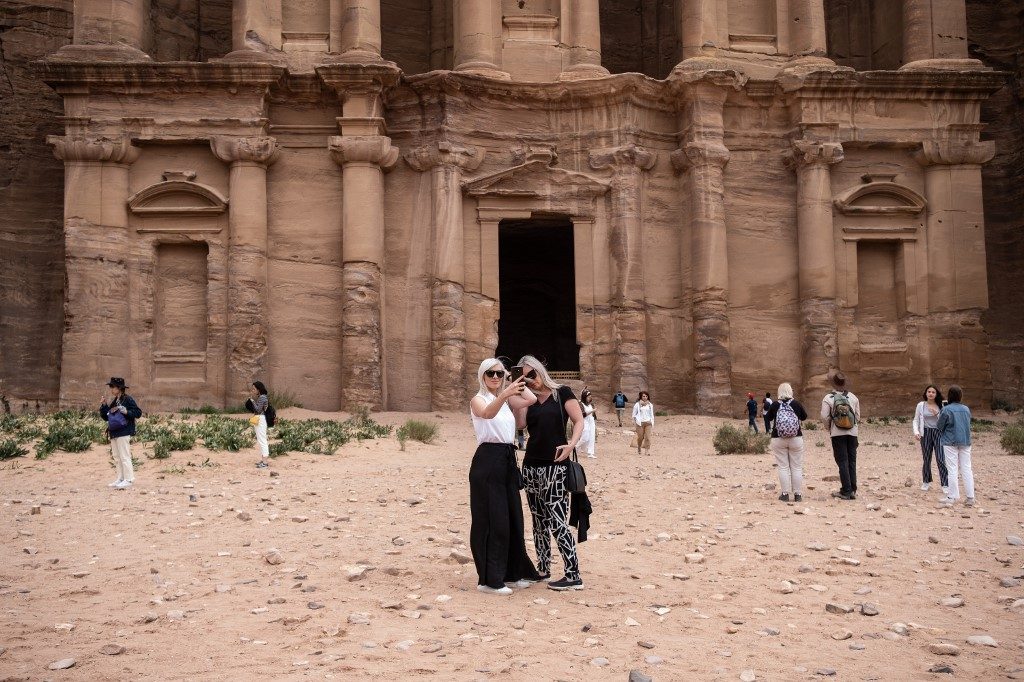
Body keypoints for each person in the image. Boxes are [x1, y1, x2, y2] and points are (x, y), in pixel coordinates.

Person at [469, 358, 541, 594]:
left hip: (507, 459)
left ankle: (511, 573)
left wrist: (516, 381)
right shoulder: (479, 399)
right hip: (488, 459)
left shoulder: (505, 398)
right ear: (482, 375)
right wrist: (505, 393)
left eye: (500, 373)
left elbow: (530, 400)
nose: (495, 377)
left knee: (512, 517)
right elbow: (486, 414)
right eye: (490, 373)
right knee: (493, 519)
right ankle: (489, 580)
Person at [514, 355, 585, 591]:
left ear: (540, 370)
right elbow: (521, 425)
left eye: (532, 374)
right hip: (531, 466)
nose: (530, 380)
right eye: (524, 377)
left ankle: (573, 574)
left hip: (556, 465)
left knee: (557, 520)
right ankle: (543, 569)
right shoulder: (529, 398)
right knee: (538, 521)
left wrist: (571, 445)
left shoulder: (561, 392)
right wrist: (518, 393)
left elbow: (578, 421)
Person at [764, 383, 808, 503]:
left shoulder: (775, 404)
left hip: (778, 438)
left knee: (783, 467)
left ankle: (785, 494)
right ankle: (797, 494)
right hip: (796, 437)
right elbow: (804, 417)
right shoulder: (796, 404)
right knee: (796, 467)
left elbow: (768, 418)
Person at [821, 371, 861, 500]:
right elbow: (857, 416)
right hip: (852, 433)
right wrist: (851, 426)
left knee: (842, 461)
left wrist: (830, 428)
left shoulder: (828, 398)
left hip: (837, 433)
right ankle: (852, 489)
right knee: (852, 461)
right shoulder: (853, 397)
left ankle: (846, 491)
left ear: (833, 383)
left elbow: (824, 416)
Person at [99, 377, 143, 490]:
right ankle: (121, 478)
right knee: (117, 457)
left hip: (124, 431)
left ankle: (129, 479)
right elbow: (107, 417)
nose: (111, 389)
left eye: (112, 386)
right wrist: (104, 406)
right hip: (114, 432)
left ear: (119, 388)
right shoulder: (115, 401)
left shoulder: (127, 399)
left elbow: (138, 412)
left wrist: (127, 411)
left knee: (124, 456)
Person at [936, 385, 975, 507]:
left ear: (949, 396)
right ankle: (970, 497)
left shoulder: (946, 409)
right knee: (966, 468)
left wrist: (939, 414)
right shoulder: (966, 409)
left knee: (952, 469)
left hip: (950, 441)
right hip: (965, 441)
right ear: (960, 396)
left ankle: (952, 496)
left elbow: (939, 426)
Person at [913, 385, 949, 493]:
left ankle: (945, 484)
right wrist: (916, 432)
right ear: (926, 393)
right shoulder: (921, 405)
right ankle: (926, 481)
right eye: (929, 391)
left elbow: (946, 420)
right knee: (926, 458)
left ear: (936, 394)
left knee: (941, 458)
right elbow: (915, 420)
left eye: (933, 392)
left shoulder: (942, 405)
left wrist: (937, 414)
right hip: (926, 432)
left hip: (938, 432)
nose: (931, 394)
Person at [245, 381, 271, 469]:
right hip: (260, 419)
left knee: (262, 441)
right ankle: (263, 460)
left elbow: (258, 410)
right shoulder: (262, 397)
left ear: (258, 389)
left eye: (254, 389)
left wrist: (252, 401)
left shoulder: (262, 397)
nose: (253, 390)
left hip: (261, 419)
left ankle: (265, 463)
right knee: (261, 440)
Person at [632, 391, 654, 456]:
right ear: (641, 397)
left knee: (648, 437)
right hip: (640, 423)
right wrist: (635, 422)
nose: (645, 397)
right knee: (640, 437)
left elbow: (651, 414)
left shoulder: (650, 405)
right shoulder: (637, 404)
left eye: (646, 396)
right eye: (643, 396)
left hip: (648, 422)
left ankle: (647, 450)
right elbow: (634, 414)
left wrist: (651, 421)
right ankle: (639, 447)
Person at [579, 389, 597, 459]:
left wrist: (594, 419)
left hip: (591, 421)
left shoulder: (591, 404)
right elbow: (582, 414)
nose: (589, 398)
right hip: (585, 420)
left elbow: (593, 414)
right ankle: (577, 446)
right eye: (588, 397)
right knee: (585, 436)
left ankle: (590, 453)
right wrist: (592, 411)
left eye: (590, 397)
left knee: (592, 436)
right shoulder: (581, 404)